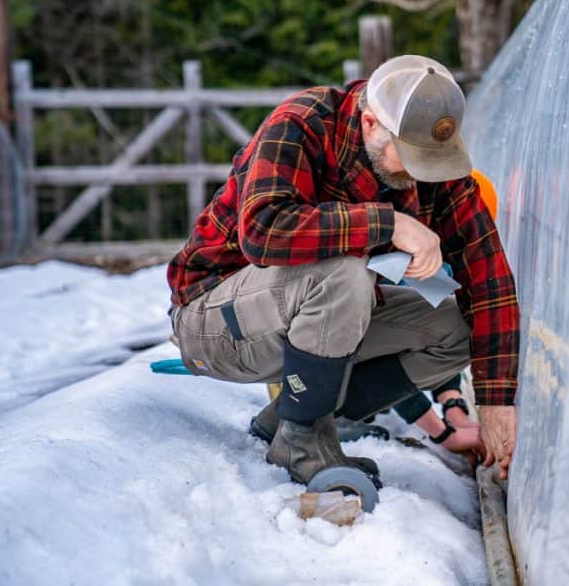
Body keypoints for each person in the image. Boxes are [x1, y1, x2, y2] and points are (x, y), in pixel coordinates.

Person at [166, 55, 520, 489]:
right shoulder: (303, 123)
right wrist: (388, 223)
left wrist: (497, 401)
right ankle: (303, 441)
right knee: (343, 271)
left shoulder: (433, 170)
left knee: (459, 327)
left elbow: (491, 284)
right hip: (215, 321)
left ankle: (287, 421)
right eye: (408, 156)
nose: (419, 172)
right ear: (371, 123)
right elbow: (263, 230)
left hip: (312, 316)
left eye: (430, 159)